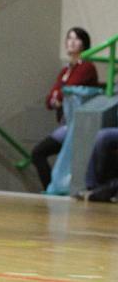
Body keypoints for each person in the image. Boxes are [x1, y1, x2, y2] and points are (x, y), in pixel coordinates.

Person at [30, 27, 98, 190]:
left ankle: (50, 190)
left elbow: (66, 91)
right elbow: (50, 99)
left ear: (84, 44)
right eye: (69, 38)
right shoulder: (65, 70)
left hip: (78, 125)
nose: (71, 42)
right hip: (65, 123)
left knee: (39, 152)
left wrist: (58, 96)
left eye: (76, 39)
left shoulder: (86, 67)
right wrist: (57, 97)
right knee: (39, 154)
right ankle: (49, 189)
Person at [77, 127, 118, 202]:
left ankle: (92, 190)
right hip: (106, 139)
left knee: (104, 136)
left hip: (102, 137)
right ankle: (94, 191)